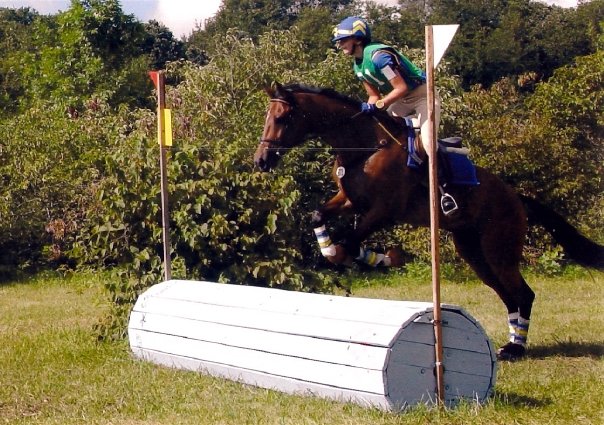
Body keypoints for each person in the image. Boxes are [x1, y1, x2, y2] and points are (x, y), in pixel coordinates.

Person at [332, 16, 457, 215]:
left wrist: (380, 104)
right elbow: (373, 95)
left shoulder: (378, 57)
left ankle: (445, 191)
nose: (340, 45)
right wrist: (367, 110)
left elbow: (401, 87)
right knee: (380, 135)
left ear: (357, 38)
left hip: (422, 96)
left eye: (343, 40)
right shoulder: (358, 64)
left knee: (426, 142)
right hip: (399, 101)